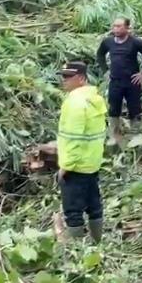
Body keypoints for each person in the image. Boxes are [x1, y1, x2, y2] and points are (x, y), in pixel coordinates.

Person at [56, 61, 108, 241]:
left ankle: (78, 254)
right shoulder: (95, 98)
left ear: (80, 78)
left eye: (68, 77)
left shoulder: (74, 102)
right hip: (92, 163)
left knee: (73, 211)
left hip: (76, 166)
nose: (64, 81)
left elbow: (74, 137)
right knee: (94, 206)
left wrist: (66, 166)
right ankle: (97, 244)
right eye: (63, 76)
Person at [96, 18, 142, 145]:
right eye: (114, 26)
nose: (115, 29)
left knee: (135, 107)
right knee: (114, 108)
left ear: (127, 28)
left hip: (132, 82)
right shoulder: (108, 42)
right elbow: (100, 55)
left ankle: (136, 134)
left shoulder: (135, 43)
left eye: (119, 26)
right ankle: (115, 135)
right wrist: (105, 71)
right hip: (115, 81)